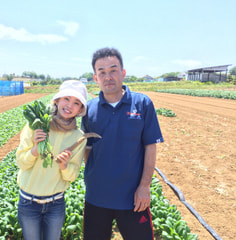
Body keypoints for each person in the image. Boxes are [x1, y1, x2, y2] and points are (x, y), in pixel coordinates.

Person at [81, 47, 164, 240]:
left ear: (123, 73)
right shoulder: (89, 109)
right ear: (95, 78)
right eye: (102, 72)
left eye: (113, 70)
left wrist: (144, 186)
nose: (108, 76)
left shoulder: (142, 104)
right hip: (97, 197)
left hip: (133, 198)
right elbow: (88, 150)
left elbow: (150, 146)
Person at [16, 80, 88, 240]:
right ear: (57, 100)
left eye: (76, 103)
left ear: (80, 109)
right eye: (66, 99)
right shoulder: (36, 126)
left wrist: (64, 166)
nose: (70, 105)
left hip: (56, 204)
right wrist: (34, 150)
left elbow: (72, 175)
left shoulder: (79, 137)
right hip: (28, 202)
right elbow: (21, 162)